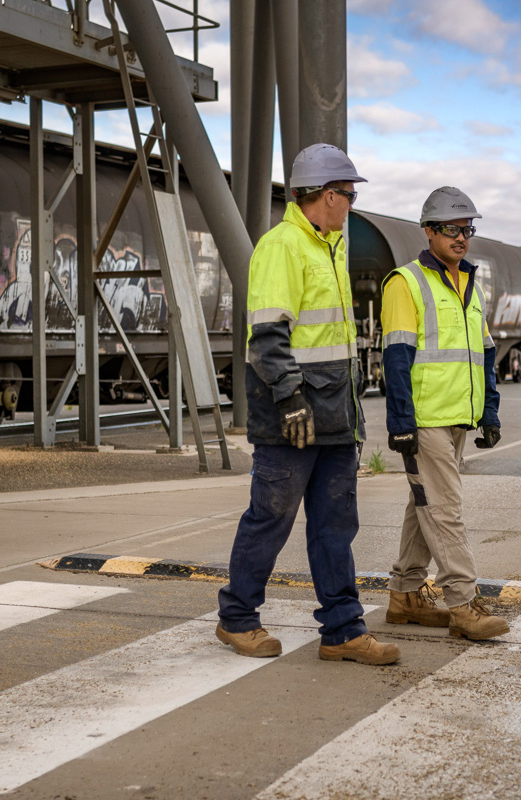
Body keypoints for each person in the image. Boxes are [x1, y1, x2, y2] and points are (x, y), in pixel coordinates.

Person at [216, 144, 401, 666]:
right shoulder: (283, 247)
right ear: (326, 195)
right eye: (349, 195)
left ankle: (343, 631)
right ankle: (237, 618)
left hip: (335, 415)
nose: (352, 204)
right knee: (270, 518)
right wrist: (291, 397)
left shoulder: (332, 246)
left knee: (335, 527)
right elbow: (268, 335)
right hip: (292, 417)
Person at [379, 186, 510, 641]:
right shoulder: (407, 282)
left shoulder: (470, 287)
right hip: (424, 419)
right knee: (445, 509)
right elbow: (396, 358)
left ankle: (405, 595)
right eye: (451, 229)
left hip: (457, 417)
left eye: (467, 229)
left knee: (426, 506)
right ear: (429, 231)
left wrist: (489, 412)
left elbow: (485, 354)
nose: (461, 238)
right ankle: (463, 602)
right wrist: (400, 423)